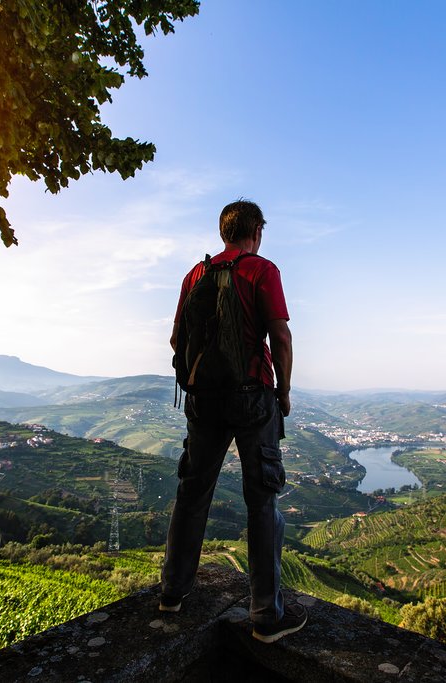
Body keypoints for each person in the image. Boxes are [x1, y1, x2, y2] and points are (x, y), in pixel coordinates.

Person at [160, 199, 306, 644]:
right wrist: (282, 390)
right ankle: (265, 615)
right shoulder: (262, 270)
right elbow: (279, 334)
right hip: (251, 396)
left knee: (192, 492)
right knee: (262, 500)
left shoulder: (195, 275)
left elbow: (175, 337)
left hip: (203, 399)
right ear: (256, 231)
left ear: (223, 232)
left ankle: (171, 593)